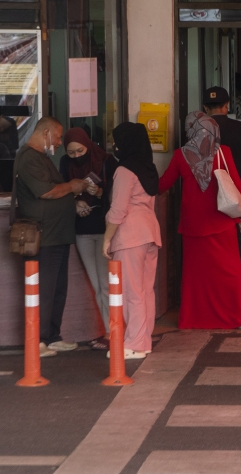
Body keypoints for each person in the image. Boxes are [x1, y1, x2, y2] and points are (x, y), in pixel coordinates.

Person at [159, 112, 241, 330]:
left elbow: (163, 185)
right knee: (231, 271)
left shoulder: (180, 156)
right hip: (221, 222)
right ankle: (240, 316)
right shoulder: (222, 152)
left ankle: (192, 319)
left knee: (195, 276)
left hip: (192, 227)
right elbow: (236, 184)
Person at [14, 117, 88, 357]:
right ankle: (37, 341)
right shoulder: (28, 157)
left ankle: (52, 336)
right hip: (43, 236)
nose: (58, 142)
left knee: (57, 290)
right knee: (43, 291)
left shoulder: (42, 157)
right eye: (57, 137)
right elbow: (46, 191)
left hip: (57, 234)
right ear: (45, 133)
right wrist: (72, 186)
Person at [101, 122, 161, 359]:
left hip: (130, 235)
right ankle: (143, 340)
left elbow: (118, 209)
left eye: (116, 141)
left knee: (131, 292)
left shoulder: (125, 170)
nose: (114, 145)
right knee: (146, 291)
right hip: (150, 232)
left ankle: (134, 343)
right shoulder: (149, 168)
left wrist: (107, 239)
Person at [59, 127, 117, 351]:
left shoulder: (107, 161)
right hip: (81, 229)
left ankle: (114, 332)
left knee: (106, 284)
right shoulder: (65, 163)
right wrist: (75, 202)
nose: (76, 156)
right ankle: (109, 329)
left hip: (104, 229)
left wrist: (99, 193)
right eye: (71, 152)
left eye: (80, 151)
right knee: (97, 285)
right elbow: (61, 190)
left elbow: (117, 195)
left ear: (88, 145)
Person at [204, 86, 241, 302]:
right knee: (239, 246)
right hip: (234, 197)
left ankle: (215, 297)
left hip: (206, 196)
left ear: (205, 108)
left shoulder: (197, 131)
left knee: (211, 247)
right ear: (227, 106)